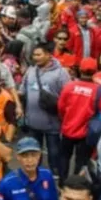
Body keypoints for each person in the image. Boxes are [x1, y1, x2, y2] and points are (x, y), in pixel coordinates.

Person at [21, 43, 71, 177]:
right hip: (33, 122)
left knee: (54, 152)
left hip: (53, 123)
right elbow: (22, 91)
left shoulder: (61, 73)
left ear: (49, 55)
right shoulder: (31, 70)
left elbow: (68, 97)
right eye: (34, 55)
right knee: (34, 151)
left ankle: (55, 175)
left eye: (39, 54)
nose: (35, 57)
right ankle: (36, 174)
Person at [57, 57, 101, 182]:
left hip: (67, 129)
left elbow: (60, 107)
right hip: (86, 133)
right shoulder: (100, 90)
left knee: (64, 157)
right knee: (81, 161)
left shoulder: (69, 86)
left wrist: (65, 120)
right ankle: (76, 184)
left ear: (80, 69)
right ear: (95, 71)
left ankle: (62, 183)